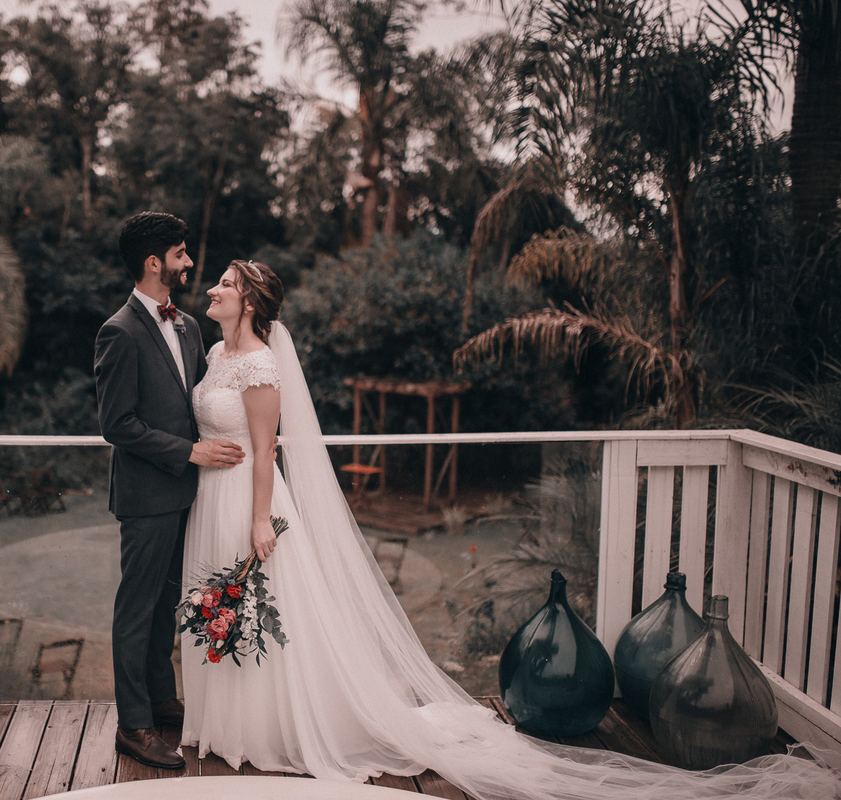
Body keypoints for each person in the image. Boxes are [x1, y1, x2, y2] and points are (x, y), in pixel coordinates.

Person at [180, 258, 840, 799]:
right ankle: (225, 724)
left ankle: (267, 731)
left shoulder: (262, 365)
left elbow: (268, 451)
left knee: (263, 613)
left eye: (227, 284)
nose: (214, 288)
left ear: (252, 302)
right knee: (222, 610)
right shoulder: (215, 355)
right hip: (212, 497)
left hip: (251, 502)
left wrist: (261, 520)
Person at [94, 212, 246, 771]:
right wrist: (191, 453)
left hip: (189, 495)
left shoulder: (187, 326)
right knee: (136, 610)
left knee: (166, 608)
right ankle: (133, 726)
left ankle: (161, 701)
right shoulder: (119, 330)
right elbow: (118, 425)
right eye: (180, 254)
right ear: (154, 262)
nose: (188, 263)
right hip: (145, 497)